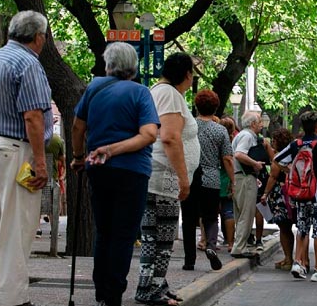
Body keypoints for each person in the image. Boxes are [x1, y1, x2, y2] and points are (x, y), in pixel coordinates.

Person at [71, 42, 160, 306]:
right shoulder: (141, 93)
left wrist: (78, 157)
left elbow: (77, 127)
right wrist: (113, 149)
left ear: (109, 65)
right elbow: (149, 134)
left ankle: (102, 293)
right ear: (133, 67)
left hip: (98, 171)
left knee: (105, 232)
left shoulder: (93, 88)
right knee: (123, 234)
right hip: (132, 172)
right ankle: (113, 296)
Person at [0, 10, 53, 306]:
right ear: (38, 37)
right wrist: (40, 161)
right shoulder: (28, 63)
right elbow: (33, 116)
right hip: (15, 149)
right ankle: (14, 299)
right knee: (17, 224)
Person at [132, 52, 198, 305]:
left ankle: (158, 283)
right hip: (163, 179)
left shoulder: (158, 91)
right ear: (187, 75)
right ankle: (149, 289)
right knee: (160, 237)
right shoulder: (169, 94)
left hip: (158, 177)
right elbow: (170, 137)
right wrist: (183, 178)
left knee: (156, 237)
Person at [263, 111, 317, 282]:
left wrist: (290, 173)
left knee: (302, 229)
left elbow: (277, 159)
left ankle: (298, 263)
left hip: (301, 195)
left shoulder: (296, 144)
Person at [182, 90, 234, 271]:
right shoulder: (220, 130)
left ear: (197, 106)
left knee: (189, 218)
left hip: (190, 176)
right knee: (211, 217)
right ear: (216, 107)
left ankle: (189, 260)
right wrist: (233, 181)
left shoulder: (188, 127)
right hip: (211, 178)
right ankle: (211, 247)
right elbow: (227, 158)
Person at [230, 111, 266, 258]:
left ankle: (240, 245)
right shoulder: (247, 136)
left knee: (240, 213)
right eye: (259, 122)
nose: (262, 125)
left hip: (240, 177)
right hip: (245, 177)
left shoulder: (241, 135)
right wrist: (255, 164)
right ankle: (240, 247)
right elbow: (239, 154)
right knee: (247, 212)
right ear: (252, 124)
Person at [259, 127, 295, 271]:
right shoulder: (292, 154)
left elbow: (273, 177)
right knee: (288, 227)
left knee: (284, 228)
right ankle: (289, 257)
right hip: (291, 193)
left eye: (274, 140)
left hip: (280, 195)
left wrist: (265, 194)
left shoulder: (279, 157)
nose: (272, 142)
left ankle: (288, 259)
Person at [37, 133, 65, 238]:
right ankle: (54, 230)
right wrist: (62, 174)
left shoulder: (37, 136)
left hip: (37, 173)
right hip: (52, 175)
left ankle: (37, 229)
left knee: (38, 202)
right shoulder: (57, 140)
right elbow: (63, 160)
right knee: (54, 204)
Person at [219, 116, 237, 252]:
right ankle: (231, 242)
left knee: (210, 213)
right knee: (229, 212)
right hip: (227, 179)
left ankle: (206, 241)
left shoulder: (215, 140)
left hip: (213, 178)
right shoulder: (232, 142)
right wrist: (233, 180)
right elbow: (229, 161)